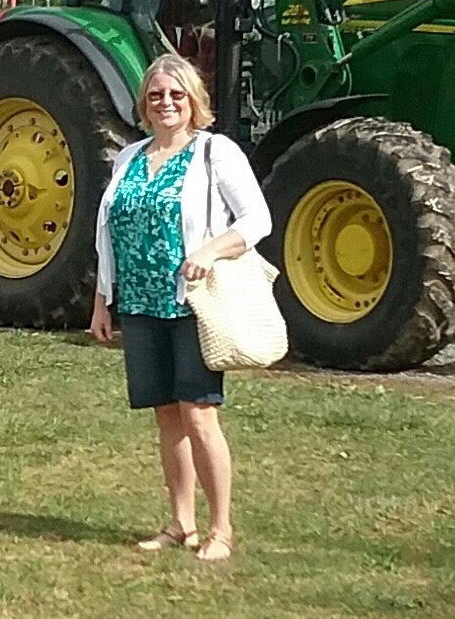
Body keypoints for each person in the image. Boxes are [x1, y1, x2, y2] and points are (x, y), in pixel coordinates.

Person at [89, 53, 271, 562]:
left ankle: (222, 529)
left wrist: (209, 251)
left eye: (176, 95)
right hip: (141, 305)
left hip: (193, 304)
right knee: (167, 416)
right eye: (156, 96)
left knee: (199, 414)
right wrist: (103, 301)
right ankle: (180, 524)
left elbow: (257, 219)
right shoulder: (129, 158)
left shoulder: (215, 153)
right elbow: (109, 234)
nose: (166, 103)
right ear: (144, 106)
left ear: (194, 102)